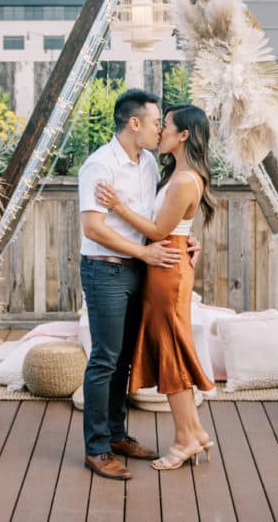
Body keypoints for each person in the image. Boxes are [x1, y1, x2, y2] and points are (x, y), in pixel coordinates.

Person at [96, 103, 216, 472]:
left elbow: (158, 232)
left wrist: (116, 205)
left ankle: (185, 438)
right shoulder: (177, 174)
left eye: (166, 125)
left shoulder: (183, 180)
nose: (160, 130)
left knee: (172, 351)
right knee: (171, 350)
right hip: (167, 263)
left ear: (183, 135)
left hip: (166, 268)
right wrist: (188, 239)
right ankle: (192, 432)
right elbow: (171, 228)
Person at [77, 88, 184, 481]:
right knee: (104, 358)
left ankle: (118, 436)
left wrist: (185, 239)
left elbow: (154, 220)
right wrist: (143, 255)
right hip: (105, 271)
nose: (161, 129)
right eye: (157, 122)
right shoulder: (99, 166)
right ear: (133, 123)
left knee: (125, 358)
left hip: (139, 269)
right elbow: (94, 228)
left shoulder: (149, 165)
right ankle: (97, 449)